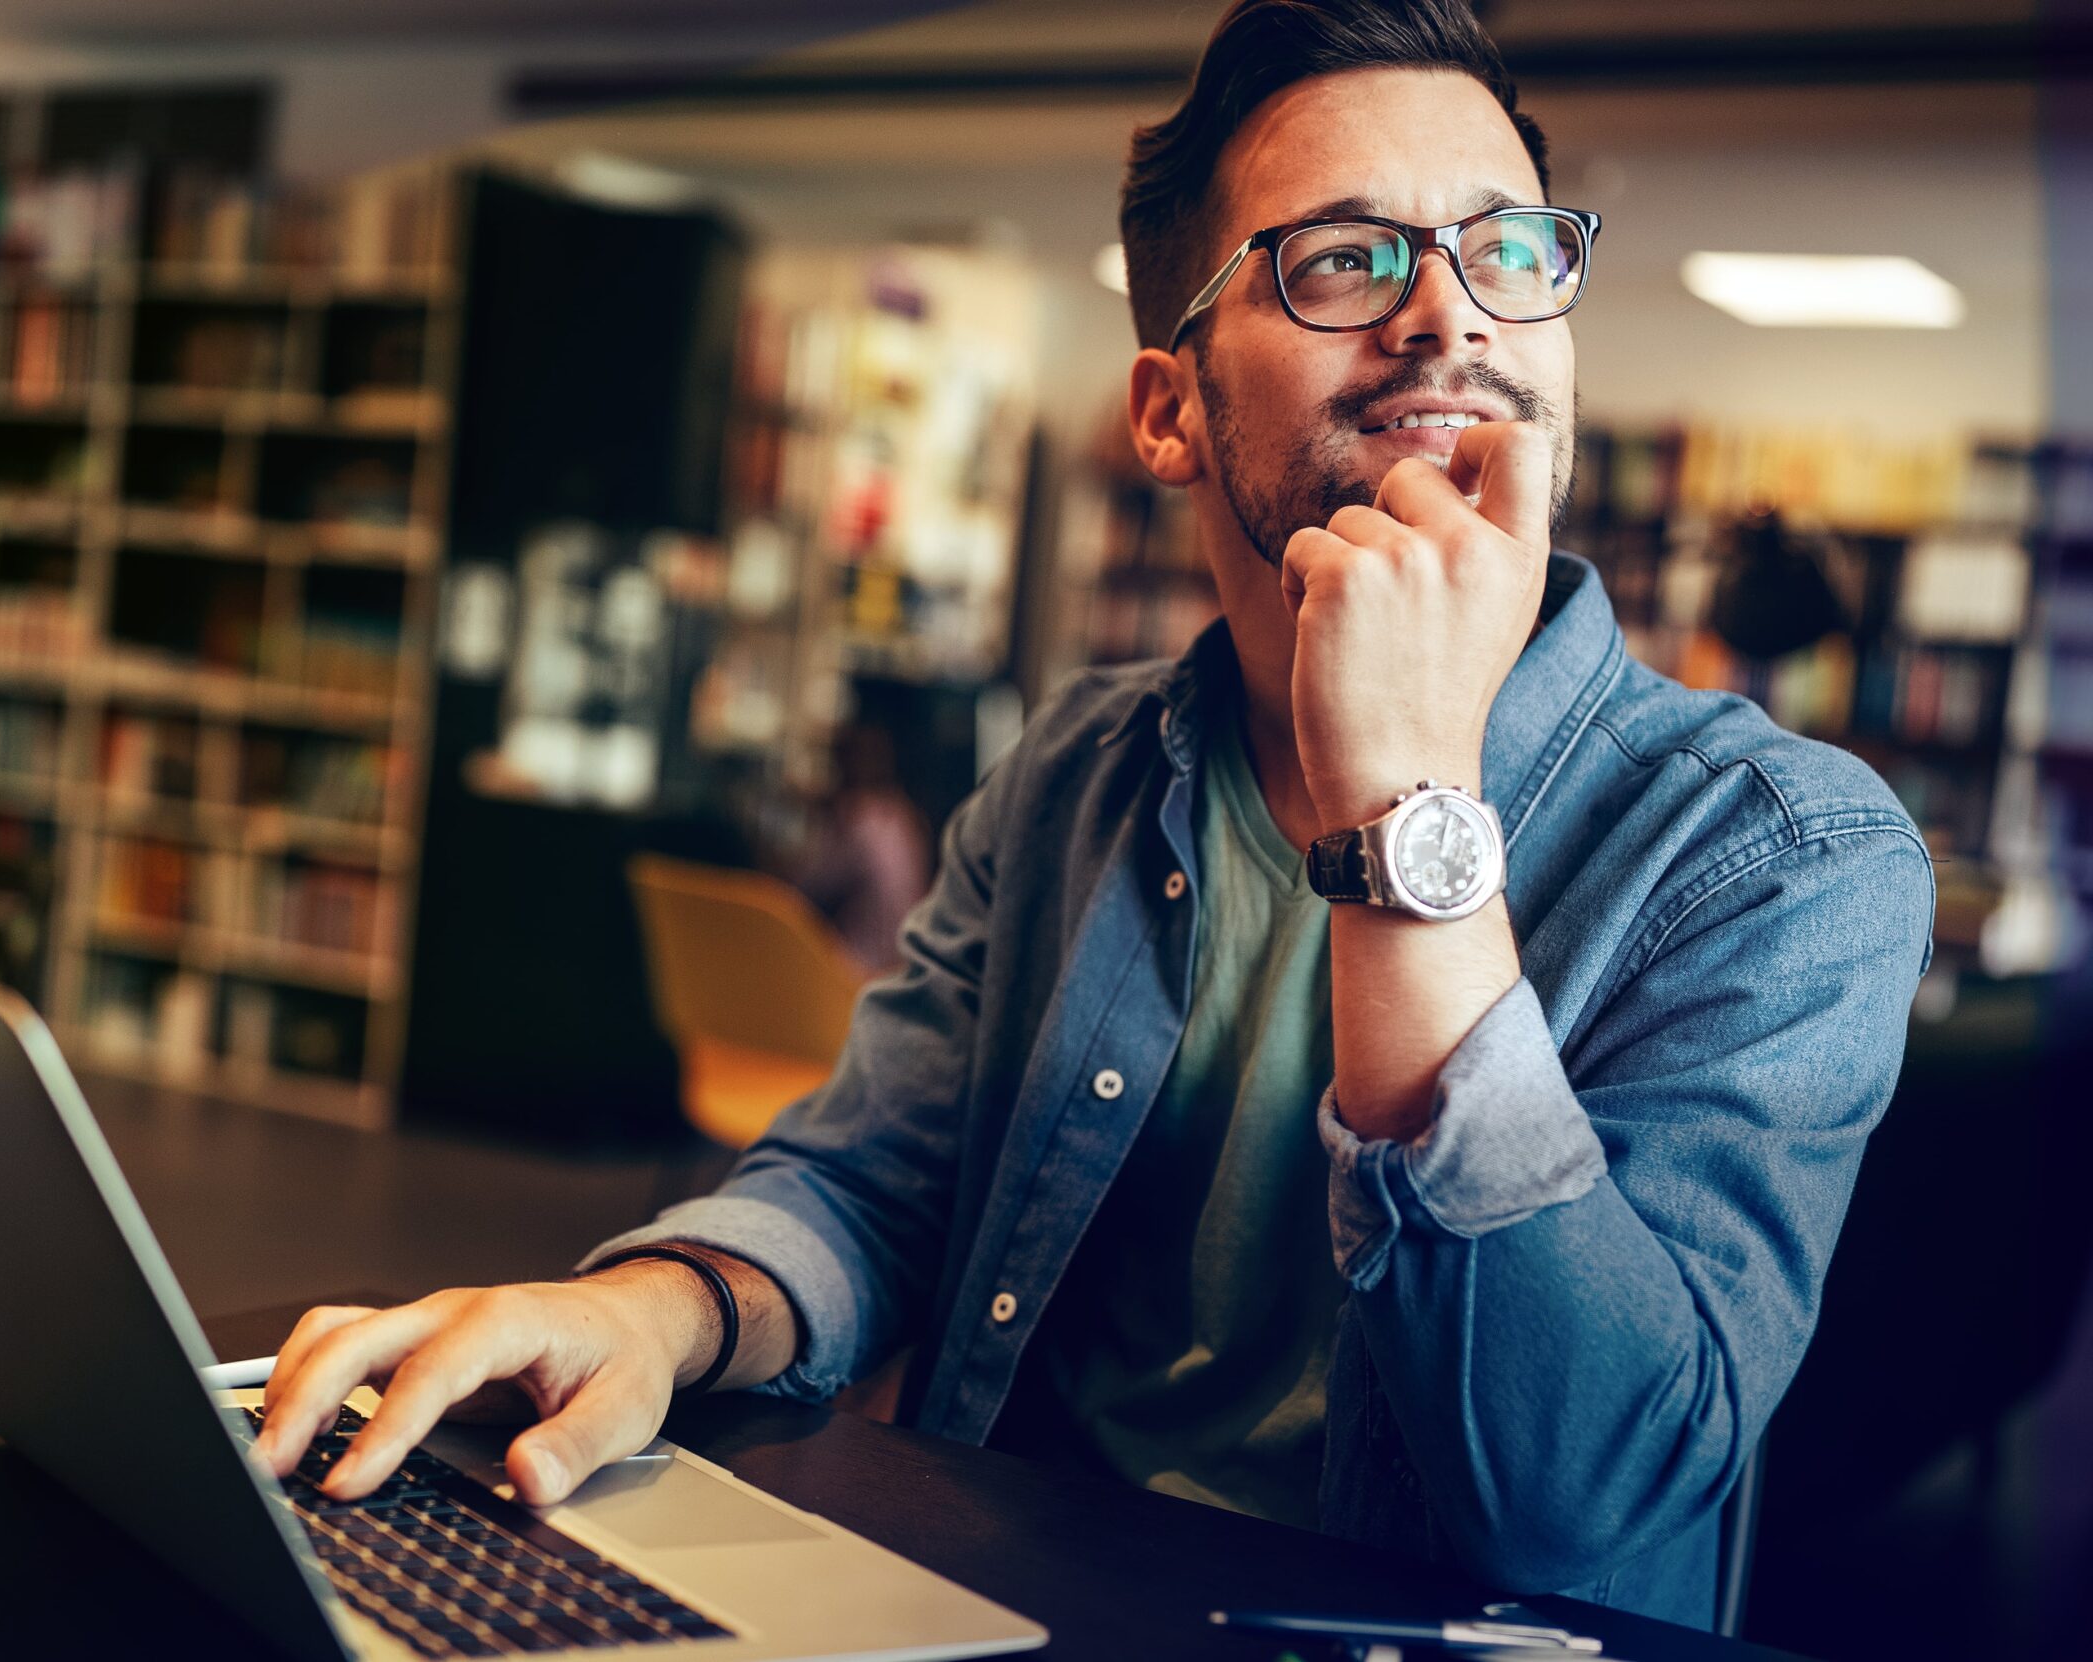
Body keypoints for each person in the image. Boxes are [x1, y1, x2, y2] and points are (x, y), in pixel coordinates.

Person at [253, 0, 1933, 1628]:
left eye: (1505, 247)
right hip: (994, 1601)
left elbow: (1577, 1490)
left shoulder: (1786, 855)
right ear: (1168, 409)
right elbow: (872, 1180)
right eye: (1345, 253)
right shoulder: (1083, 767)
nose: (1448, 315)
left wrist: (1407, 802)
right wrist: (653, 1302)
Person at [792, 720, 934, 973]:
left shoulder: (860, 820)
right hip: (902, 970)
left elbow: (806, 891)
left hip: (856, 976)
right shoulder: (904, 817)